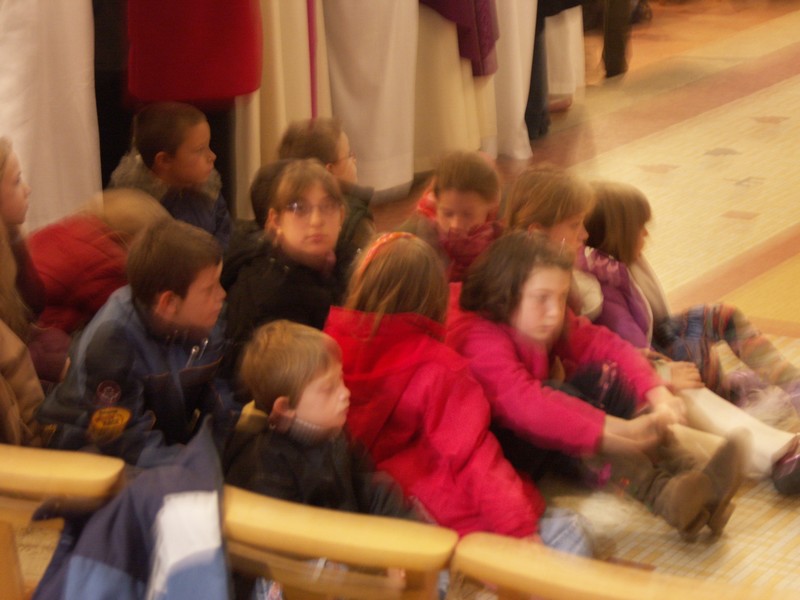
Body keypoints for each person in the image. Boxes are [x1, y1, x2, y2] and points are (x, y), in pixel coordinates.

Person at [448, 232, 743, 539]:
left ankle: (696, 478)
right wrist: (620, 431)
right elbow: (529, 407)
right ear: (504, 294)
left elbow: (603, 344)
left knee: (602, 376)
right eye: (542, 298)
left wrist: (656, 393)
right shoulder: (479, 338)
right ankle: (664, 495)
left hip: (537, 423)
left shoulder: (536, 318)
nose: (555, 311)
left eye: (561, 297)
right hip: (507, 452)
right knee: (564, 402)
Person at [325, 232, 594, 556]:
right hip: (442, 511)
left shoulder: (331, 348)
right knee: (568, 530)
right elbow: (472, 455)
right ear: (433, 297)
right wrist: (518, 527)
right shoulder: (438, 367)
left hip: (380, 507)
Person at [38, 219, 235, 468]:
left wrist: (216, 458)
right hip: (91, 453)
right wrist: (194, 470)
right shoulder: (112, 343)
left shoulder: (206, 320)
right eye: (209, 289)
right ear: (168, 304)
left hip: (162, 444)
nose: (222, 295)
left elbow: (222, 401)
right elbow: (124, 443)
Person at [224, 159, 348, 377]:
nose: (316, 220)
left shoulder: (335, 261)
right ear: (275, 220)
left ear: (342, 216)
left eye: (327, 206)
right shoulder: (273, 293)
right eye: (299, 208)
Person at [28, 188, 170, 335]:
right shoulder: (107, 264)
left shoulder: (71, 229)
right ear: (123, 237)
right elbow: (135, 316)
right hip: (42, 336)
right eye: (147, 248)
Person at [109, 101, 231, 249]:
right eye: (200, 150)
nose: (212, 156)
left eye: (208, 146)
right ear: (164, 160)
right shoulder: (134, 212)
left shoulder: (207, 190)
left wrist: (218, 256)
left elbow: (223, 229)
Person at [0, 136, 70, 387]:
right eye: (17, 181)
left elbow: (32, 310)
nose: (27, 189)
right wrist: (51, 364)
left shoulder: (11, 239)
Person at [277, 118, 376, 271]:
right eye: (349, 155)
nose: (354, 160)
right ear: (329, 171)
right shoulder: (357, 222)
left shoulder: (278, 206)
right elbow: (375, 272)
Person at [401, 151, 503, 282]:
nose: (456, 225)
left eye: (468, 215)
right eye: (447, 214)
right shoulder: (416, 241)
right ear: (436, 202)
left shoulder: (501, 236)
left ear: (491, 206)